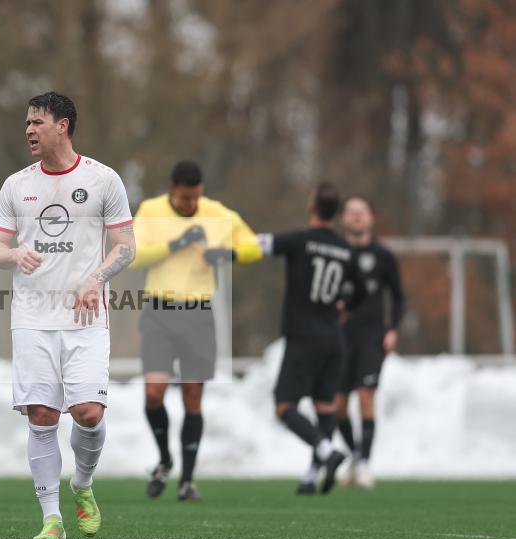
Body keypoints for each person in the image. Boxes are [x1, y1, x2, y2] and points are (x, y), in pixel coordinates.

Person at [0, 92, 134, 539]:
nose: (29, 130)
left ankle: (83, 485)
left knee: (88, 413)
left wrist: (97, 277)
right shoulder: (16, 185)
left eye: (37, 122)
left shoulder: (104, 180)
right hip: (31, 317)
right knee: (43, 414)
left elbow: (127, 246)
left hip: (86, 317)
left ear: (63, 125)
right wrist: (14, 254)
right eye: (26, 123)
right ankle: (51, 517)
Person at [130, 160, 261, 501]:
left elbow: (254, 246)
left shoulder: (217, 213)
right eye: (185, 198)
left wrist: (227, 252)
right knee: (154, 391)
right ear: (172, 188)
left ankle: (187, 481)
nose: (191, 204)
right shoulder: (150, 210)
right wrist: (176, 244)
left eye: (195, 198)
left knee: (192, 396)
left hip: (198, 314)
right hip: (159, 312)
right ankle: (164, 459)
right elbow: (133, 256)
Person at [256, 182, 363, 495]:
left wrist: (221, 252)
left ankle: (327, 453)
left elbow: (257, 246)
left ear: (312, 206)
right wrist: (345, 305)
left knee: (284, 407)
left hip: (303, 337)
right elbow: (360, 290)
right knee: (325, 406)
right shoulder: (346, 249)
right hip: (334, 338)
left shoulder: (299, 240)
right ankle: (311, 476)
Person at [334, 196, 404, 489]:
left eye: (361, 211)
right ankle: (356, 454)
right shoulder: (334, 252)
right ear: (343, 219)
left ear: (371, 217)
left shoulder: (383, 256)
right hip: (338, 339)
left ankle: (363, 464)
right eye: (351, 212)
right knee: (337, 405)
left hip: (372, 338)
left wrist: (393, 329)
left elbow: (398, 296)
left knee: (366, 396)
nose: (356, 217)